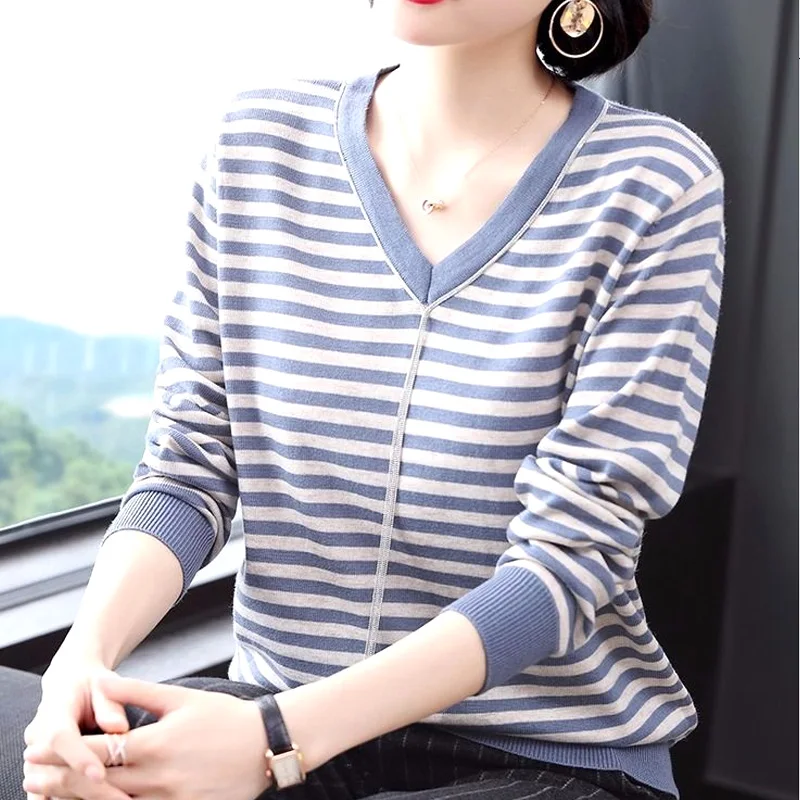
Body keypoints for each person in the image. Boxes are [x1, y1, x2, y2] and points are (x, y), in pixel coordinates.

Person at [2, 0, 727, 798]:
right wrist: (79, 663)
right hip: (271, 713)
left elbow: (568, 561)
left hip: (542, 753)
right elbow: (187, 470)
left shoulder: (652, 181)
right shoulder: (257, 145)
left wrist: (274, 739)